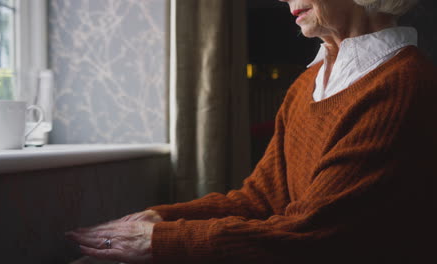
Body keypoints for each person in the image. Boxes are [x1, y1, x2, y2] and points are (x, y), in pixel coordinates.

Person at [66, 0, 437, 263]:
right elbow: (261, 199)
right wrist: (160, 217)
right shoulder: (306, 84)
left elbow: (312, 238)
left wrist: (158, 243)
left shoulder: (404, 86)